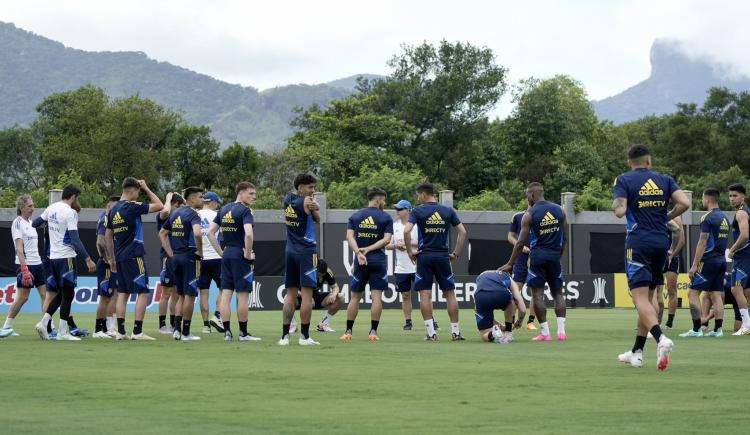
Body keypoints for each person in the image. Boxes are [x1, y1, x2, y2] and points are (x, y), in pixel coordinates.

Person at [611, 145, 688, 370]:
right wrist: (667, 216)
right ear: (649, 160)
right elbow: (684, 203)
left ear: (630, 162)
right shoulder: (664, 180)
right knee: (651, 295)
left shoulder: (624, 180)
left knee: (639, 298)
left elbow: (620, 211)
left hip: (638, 244)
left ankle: (661, 338)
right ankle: (636, 352)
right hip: (661, 243)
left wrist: (617, 202)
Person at [500, 182, 568, 342]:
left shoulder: (529, 214)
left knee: (537, 294)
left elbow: (520, 242)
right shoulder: (559, 210)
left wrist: (510, 263)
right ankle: (561, 332)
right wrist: (559, 254)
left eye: (527, 196)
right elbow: (565, 237)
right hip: (554, 256)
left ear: (532, 195)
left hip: (537, 257)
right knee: (558, 293)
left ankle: (545, 333)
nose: (527, 200)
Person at [404, 183, 467, 341]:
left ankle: (431, 333)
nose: (418, 199)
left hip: (424, 257)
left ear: (424, 195)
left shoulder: (418, 211)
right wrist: (456, 253)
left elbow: (406, 231)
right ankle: (456, 332)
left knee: (424, 294)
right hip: (443, 257)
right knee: (450, 293)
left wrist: (410, 251)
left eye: (418, 196)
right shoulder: (447, 210)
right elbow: (462, 232)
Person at [33, 184, 96, 341]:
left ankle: (44, 322)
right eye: (78, 197)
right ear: (73, 196)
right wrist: (88, 259)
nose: (77, 201)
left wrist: (50, 229)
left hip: (52, 258)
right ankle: (63, 332)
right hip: (66, 257)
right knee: (68, 293)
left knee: (61, 293)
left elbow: (34, 223)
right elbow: (75, 239)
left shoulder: (51, 208)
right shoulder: (70, 212)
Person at [105, 177, 163, 340]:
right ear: (131, 190)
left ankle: (121, 331)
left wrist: (111, 258)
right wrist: (146, 188)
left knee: (122, 293)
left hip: (120, 257)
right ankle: (137, 331)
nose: (139, 193)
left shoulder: (113, 210)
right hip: (134, 254)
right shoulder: (131, 208)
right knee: (143, 291)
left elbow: (108, 237)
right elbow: (159, 206)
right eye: (137, 190)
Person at [207, 182, 261, 342]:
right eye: (251, 194)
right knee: (243, 295)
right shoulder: (245, 211)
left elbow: (210, 233)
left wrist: (220, 252)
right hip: (240, 255)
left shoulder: (223, 209)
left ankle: (227, 333)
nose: (254, 197)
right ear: (241, 193)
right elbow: (249, 235)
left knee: (226, 294)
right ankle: (243, 334)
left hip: (227, 254)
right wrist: (247, 253)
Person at [341, 188, 393, 341]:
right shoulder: (386, 217)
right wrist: (369, 250)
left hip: (360, 261)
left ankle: (348, 332)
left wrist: (359, 252)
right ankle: (373, 332)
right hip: (378, 261)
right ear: (377, 200)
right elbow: (386, 240)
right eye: (383, 200)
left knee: (355, 297)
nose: (384, 203)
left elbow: (349, 236)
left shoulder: (356, 216)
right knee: (377, 297)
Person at [679, 188, 729, 337]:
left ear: (707, 199)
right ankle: (718, 330)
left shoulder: (707, 218)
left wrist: (694, 265)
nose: (702, 201)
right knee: (716, 295)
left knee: (692, 293)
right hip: (721, 260)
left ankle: (696, 329)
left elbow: (702, 242)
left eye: (702, 198)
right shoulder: (725, 217)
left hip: (708, 261)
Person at [279, 174, 321, 346]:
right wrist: (314, 204)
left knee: (290, 295)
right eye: (310, 187)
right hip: (306, 252)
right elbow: (318, 217)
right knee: (306, 296)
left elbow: (314, 215)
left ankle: (284, 336)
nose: (313, 190)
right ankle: (304, 336)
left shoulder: (287, 200)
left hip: (290, 250)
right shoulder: (307, 202)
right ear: (301, 187)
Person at [160, 187, 204, 341]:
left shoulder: (175, 213)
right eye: (200, 197)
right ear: (192, 199)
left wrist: (171, 253)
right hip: (190, 257)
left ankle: (177, 330)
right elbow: (197, 233)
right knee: (190, 296)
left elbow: (162, 234)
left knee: (179, 296)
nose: (202, 200)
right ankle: (186, 332)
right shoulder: (193, 214)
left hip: (176, 258)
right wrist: (200, 251)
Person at [1, 195, 47, 337]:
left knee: (46, 295)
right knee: (23, 297)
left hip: (38, 263)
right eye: (29, 206)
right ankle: (6, 327)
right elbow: (19, 249)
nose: (32, 209)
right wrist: (24, 269)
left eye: (33, 206)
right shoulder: (18, 223)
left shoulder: (31, 223)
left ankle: (46, 327)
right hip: (26, 265)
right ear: (21, 208)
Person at [388, 199, 419, 331]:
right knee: (405, 295)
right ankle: (408, 321)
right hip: (401, 268)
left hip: (417, 265)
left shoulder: (416, 226)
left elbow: (420, 243)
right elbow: (388, 245)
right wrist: (396, 245)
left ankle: (432, 321)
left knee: (425, 294)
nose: (397, 211)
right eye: (397, 209)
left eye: (400, 209)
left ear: (408, 210)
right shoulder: (394, 226)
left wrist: (407, 243)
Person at [290, 258, 344, 333]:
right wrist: (306, 297)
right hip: (302, 298)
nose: (320, 277)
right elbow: (293, 290)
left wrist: (334, 295)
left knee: (340, 297)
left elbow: (335, 287)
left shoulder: (328, 272)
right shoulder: (306, 271)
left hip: (316, 298)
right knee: (287, 298)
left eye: (323, 275)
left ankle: (323, 324)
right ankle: (293, 325)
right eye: (319, 275)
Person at [93, 196, 121, 339]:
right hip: (106, 265)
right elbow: (100, 242)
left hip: (111, 263)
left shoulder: (108, 218)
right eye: (115, 207)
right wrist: (108, 260)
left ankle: (108, 327)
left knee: (114, 295)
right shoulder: (105, 218)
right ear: (109, 206)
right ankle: (99, 329)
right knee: (106, 297)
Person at [156, 192, 183, 334]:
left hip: (179, 257)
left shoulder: (178, 218)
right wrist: (168, 198)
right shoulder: (163, 216)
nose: (179, 209)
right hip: (167, 257)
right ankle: (162, 325)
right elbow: (165, 210)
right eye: (178, 205)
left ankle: (174, 324)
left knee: (177, 294)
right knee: (166, 293)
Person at [198, 191, 224, 334]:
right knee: (224, 289)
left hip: (201, 259)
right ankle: (218, 315)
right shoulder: (216, 215)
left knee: (204, 293)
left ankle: (205, 325)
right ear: (212, 202)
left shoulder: (196, 214)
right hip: (216, 257)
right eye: (217, 202)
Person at [508, 204, 537, 330]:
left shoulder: (540, 217)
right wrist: (520, 246)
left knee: (535, 290)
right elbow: (510, 236)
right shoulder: (518, 216)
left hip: (536, 256)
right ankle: (511, 320)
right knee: (516, 288)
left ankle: (530, 322)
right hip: (520, 257)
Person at [727, 183, 750, 335]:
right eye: (730, 196)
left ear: (743, 196)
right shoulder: (746, 211)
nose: (732, 199)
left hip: (743, 256)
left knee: (736, 289)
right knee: (747, 291)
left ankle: (746, 326)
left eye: (735, 196)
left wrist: (732, 250)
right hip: (747, 256)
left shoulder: (741, 213)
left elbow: (745, 235)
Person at [474, 271, 521, 344]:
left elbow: (486, 318)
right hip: (502, 295)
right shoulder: (509, 279)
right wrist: (519, 321)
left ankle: (494, 333)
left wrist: (500, 326)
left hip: (482, 297)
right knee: (511, 301)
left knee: (484, 335)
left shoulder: (481, 277)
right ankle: (508, 333)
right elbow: (523, 309)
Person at [662, 217, 684, 329]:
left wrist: (672, 254)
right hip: (657, 254)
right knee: (654, 290)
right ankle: (653, 321)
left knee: (671, 289)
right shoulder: (653, 212)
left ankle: (669, 322)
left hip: (672, 257)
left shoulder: (676, 216)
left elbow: (682, 240)